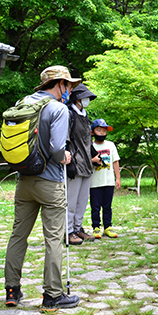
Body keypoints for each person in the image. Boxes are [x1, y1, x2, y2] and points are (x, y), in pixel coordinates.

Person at [4, 65, 81, 311]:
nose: (70, 90)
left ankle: (12, 290)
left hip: (24, 180)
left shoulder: (23, 103)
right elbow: (58, 149)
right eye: (68, 85)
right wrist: (66, 157)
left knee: (18, 235)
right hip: (50, 182)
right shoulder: (58, 109)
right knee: (54, 239)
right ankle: (53, 296)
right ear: (59, 84)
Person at [65, 84, 98, 245]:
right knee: (71, 200)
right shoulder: (69, 114)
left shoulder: (85, 116)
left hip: (86, 164)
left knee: (82, 201)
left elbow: (87, 140)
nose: (87, 101)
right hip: (74, 163)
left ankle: (78, 228)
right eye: (85, 98)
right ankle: (68, 230)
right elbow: (65, 139)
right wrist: (68, 162)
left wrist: (95, 155)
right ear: (78, 98)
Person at [90, 119, 121, 239]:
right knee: (95, 206)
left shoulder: (110, 145)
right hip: (94, 182)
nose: (102, 133)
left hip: (108, 181)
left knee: (107, 206)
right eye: (99, 130)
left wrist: (117, 178)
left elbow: (115, 162)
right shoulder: (90, 146)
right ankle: (96, 227)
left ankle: (108, 226)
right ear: (92, 132)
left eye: (104, 130)